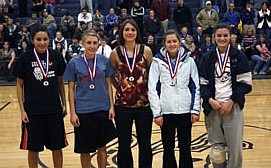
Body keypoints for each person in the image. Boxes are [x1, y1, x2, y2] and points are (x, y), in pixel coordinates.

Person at [199, 23, 252, 168]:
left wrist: (231, 101)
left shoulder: (239, 56)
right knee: (217, 152)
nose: (222, 38)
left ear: (230, 37)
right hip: (213, 108)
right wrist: (210, 100)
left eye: (225, 35)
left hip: (233, 107)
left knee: (235, 150)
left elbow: (246, 84)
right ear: (214, 37)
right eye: (219, 36)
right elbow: (202, 84)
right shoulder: (207, 57)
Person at [14, 24, 68, 168]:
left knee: (57, 147)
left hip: (54, 109)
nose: (42, 42)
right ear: (32, 40)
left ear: (49, 40)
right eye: (38, 39)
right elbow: (19, 85)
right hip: (33, 111)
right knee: (33, 148)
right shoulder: (24, 59)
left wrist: (65, 103)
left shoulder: (56, 56)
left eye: (45, 39)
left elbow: (60, 82)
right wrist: (22, 110)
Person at [64, 29, 116, 168]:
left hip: (102, 108)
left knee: (102, 147)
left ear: (99, 44)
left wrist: (111, 106)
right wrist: (73, 113)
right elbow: (70, 89)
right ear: (82, 44)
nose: (91, 46)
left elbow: (109, 85)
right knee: (85, 150)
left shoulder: (104, 61)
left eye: (94, 43)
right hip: (83, 111)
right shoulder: (74, 63)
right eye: (88, 43)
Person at [148, 29, 200, 168]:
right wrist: (157, 112)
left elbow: (195, 86)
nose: (172, 44)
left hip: (185, 110)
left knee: (185, 148)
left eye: (174, 41)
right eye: (169, 41)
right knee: (168, 149)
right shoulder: (157, 62)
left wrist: (195, 110)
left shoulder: (189, 61)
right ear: (164, 43)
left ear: (180, 42)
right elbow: (152, 88)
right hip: (166, 112)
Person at [109, 19, 153, 168]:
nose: (129, 32)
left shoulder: (146, 50)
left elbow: (152, 75)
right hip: (122, 105)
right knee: (123, 143)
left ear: (137, 32)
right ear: (122, 32)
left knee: (145, 143)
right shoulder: (115, 52)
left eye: (132, 30)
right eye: (126, 29)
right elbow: (110, 75)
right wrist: (120, 87)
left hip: (144, 104)